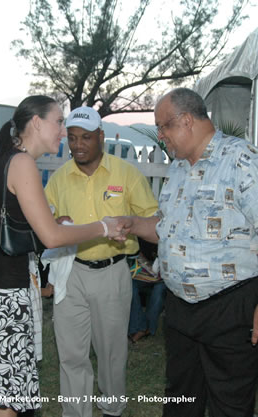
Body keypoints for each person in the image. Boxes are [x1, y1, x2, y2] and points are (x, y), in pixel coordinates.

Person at [116, 88, 258, 417]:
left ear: (186, 121)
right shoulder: (179, 168)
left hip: (232, 305)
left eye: (163, 127)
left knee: (229, 402)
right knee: (181, 397)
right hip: (181, 308)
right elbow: (166, 228)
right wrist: (132, 223)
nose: (160, 136)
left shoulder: (241, 159)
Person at [0, 96, 128, 417]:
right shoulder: (22, 164)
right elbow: (52, 237)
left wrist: (50, 224)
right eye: (59, 122)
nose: (63, 131)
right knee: (7, 396)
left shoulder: (3, 157)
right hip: (4, 295)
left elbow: (12, 226)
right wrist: (102, 227)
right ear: (36, 123)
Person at [44, 106, 158, 417]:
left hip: (112, 273)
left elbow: (153, 221)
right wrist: (56, 221)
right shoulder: (58, 178)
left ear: (100, 137)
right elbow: (44, 224)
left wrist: (128, 222)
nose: (78, 144)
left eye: (86, 137)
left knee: (111, 351)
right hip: (71, 271)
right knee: (70, 352)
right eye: (71, 137)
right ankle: (76, 412)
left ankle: (112, 407)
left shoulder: (126, 174)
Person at [127, 240, 166, 343]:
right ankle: (140, 327)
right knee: (130, 285)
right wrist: (150, 270)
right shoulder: (142, 231)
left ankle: (147, 328)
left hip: (165, 273)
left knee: (159, 290)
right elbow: (137, 254)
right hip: (145, 269)